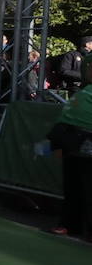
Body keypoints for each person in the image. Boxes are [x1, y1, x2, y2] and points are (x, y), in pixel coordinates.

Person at [47, 81, 92, 239]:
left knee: (87, 185)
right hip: (72, 140)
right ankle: (69, 225)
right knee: (72, 184)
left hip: (87, 141)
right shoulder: (86, 89)